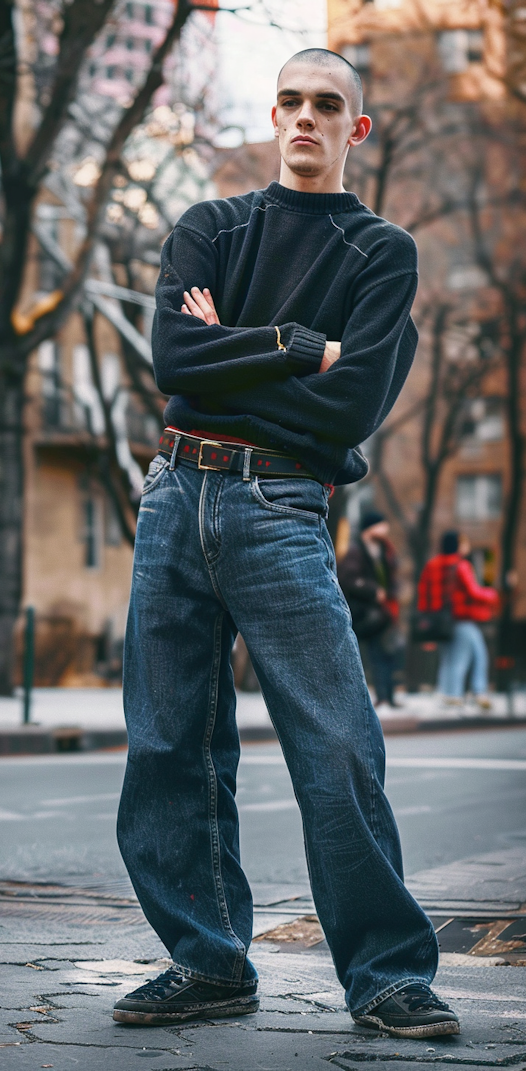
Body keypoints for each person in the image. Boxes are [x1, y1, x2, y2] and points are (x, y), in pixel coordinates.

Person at [114, 49, 459, 1039]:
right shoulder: (211, 227)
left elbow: (346, 410)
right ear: (275, 115)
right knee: (169, 743)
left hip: (281, 503)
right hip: (175, 494)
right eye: (293, 101)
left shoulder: (381, 252)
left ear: (356, 129)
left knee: (338, 742)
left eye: (329, 105)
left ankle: (388, 975)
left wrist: (236, 356)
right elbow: (175, 361)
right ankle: (208, 961)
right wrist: (297, 345)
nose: (306, 117)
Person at [418, 531, 499, 709]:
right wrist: (492, 595)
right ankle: (467, 693)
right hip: (462, 619)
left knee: (449, 657)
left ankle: (448, 693)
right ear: (457, 544)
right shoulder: (461, 565)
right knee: (475, 655)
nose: (466, 545)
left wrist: (426, 620)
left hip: (440, 621)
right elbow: (473, 591)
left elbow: (424, 593)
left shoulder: (431, 565)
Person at [338, 511, 403, 709]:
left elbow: (392, 579)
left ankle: (386, 697)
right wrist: (374, 591)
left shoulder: (385, 551)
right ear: (369, 528)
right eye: (381, 525)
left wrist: (390, 593)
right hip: (361, 613)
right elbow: (348, 579)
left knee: (384, 654)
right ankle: (356, 700)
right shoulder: (355, 551)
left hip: (381, 613)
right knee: (357, 657)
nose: (385, 529)